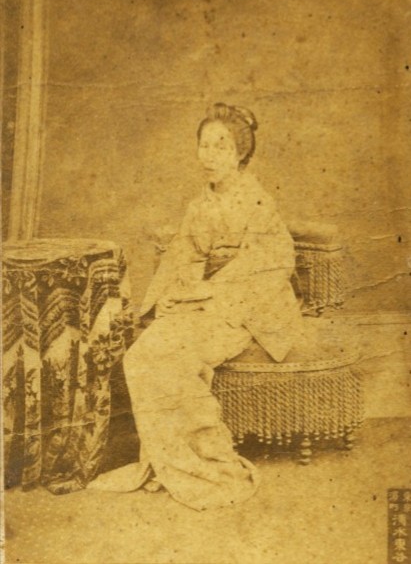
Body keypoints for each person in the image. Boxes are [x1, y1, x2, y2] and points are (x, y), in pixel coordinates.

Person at [88, 103, 318, 510]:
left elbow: (273, 264)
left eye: (221, 146)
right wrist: (175, 292)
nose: (208, 155)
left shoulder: (258, 202)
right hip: (203, 301)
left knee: (174, 357)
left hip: (248, 309)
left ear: (241, 153)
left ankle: (210, 463)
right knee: (141, 355)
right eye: (204, 145)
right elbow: (186, 256)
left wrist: (209, 292)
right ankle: (166, 461)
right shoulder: (200, 204)